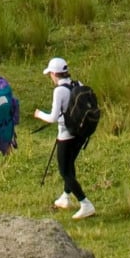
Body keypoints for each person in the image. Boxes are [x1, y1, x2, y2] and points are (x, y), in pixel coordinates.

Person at [34, 56, 95, 220]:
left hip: (66, 136)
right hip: (80, 135)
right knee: (70, 165)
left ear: (54, 74)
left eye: (50, 75)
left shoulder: (59, 91)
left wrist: (39, 114)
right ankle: (65, 197)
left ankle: (85, 203)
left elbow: (53, 118)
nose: (50, 78)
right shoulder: (78, 84)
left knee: (65, 171)